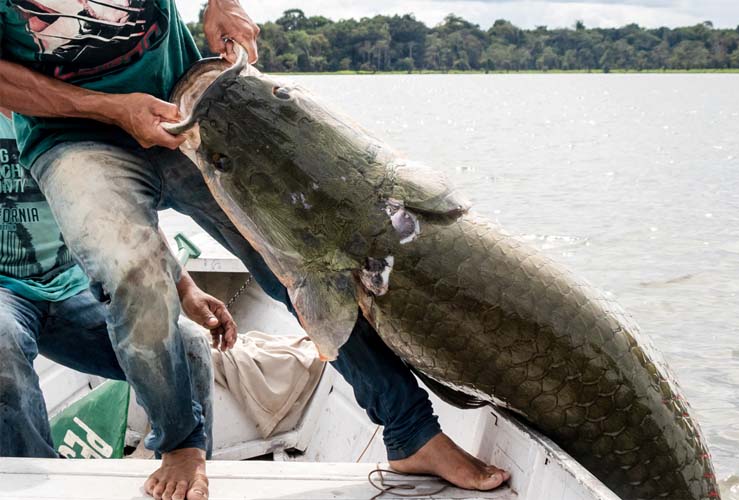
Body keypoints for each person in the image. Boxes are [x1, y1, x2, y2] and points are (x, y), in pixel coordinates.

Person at [0, 1, 508, 500]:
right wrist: (110, 107)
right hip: (71, 137)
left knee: (299, 264)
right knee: (132, 272)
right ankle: (181, 444)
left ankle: (412, 433)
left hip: (184, 104)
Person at [0, 108, 230, 477]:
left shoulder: (66, 116)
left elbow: (126, 219)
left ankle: (188, 474)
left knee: (188, 344)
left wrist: (186, 289)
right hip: (5, 295)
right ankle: (34, 478)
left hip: (77, 286)